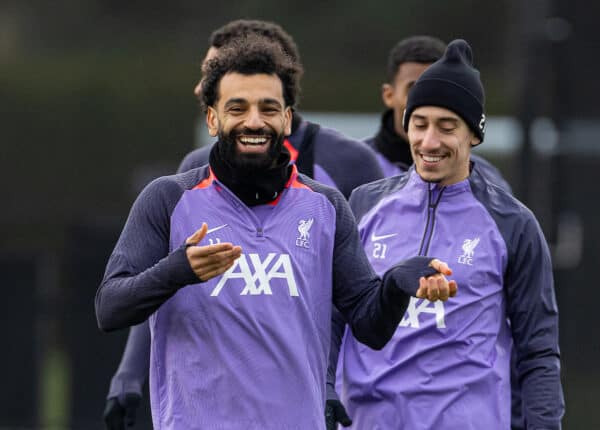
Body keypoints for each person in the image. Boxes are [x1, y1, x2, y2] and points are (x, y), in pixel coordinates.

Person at [95, 34, 457, 429]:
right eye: (238, 108)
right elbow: (110, 307)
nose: (254, 121)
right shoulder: (168, 199)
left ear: (287, 117)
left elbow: (370, 326)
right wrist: (177, 270)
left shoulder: (326, 206)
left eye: (268, 108)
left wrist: (394, 285)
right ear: (213, 118)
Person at [331, 39, 564, 429]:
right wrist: (322, 389)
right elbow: (332, 318)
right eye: (419, 125)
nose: (430, 142)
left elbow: (538, 351)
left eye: (447, 126)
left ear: (474, 134)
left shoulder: (513, 223)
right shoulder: (363, 205)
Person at [365, 35, 511, 193]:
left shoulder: (488, 179)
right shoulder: (353, 169)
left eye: (440, 91)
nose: (428, 101)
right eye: (414, 89)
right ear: (389, 95)